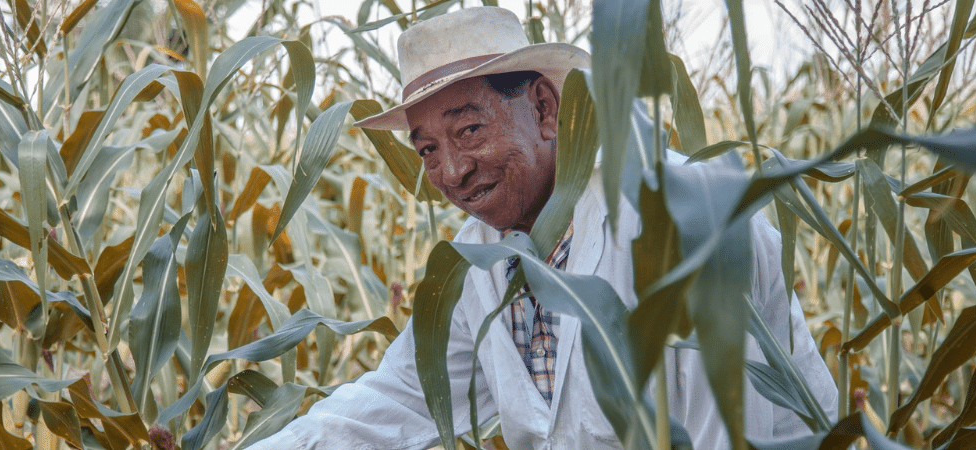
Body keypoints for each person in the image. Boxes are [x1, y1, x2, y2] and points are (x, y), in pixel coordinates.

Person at [249, 6, 837, 449]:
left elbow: (728, 427)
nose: (451, 171)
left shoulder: (681, 219)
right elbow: (399, 399)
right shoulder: (477, 263)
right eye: (427, 150)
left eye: (469, 130)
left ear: (545, 108)